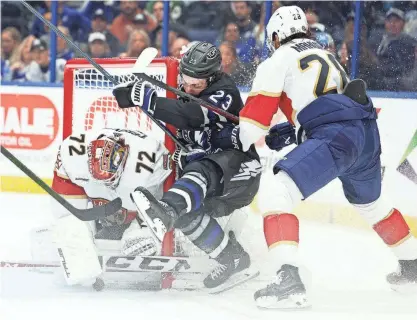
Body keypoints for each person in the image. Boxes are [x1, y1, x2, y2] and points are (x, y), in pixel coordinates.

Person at [236, 5, 417, 308]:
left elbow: (250, 127)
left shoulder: (277, 59)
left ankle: (288, 278)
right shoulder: (324, 53)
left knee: (274, 192)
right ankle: (412, 266)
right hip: (366, 132)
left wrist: (239, 135)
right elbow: (321, 102)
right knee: (371, 204)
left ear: (276, 36)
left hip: (335, 135)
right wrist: (295, 131)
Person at [113, 41, 261, 292]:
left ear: (212, 78)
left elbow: (192, 115)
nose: (189, 88)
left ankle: (167, 210)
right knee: (188, 214)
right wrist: (131, 95)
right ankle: (232, 257)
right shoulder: (185, 88)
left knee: (199, 172)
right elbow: (178, 112)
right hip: (210, 181)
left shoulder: (224, 91)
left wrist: (149, 101)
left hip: (240, 172)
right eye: (186, 82)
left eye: (197, 86)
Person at [50, 128, 171, 287]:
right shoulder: (72, 154)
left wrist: (144, 226)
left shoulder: (149, 161)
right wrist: (74, 228)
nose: (105, 186)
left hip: (137, 202)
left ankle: (143, 232)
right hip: (108, 201)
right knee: (70, 226)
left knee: (140, 239)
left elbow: (162, 200)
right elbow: (65, 206)